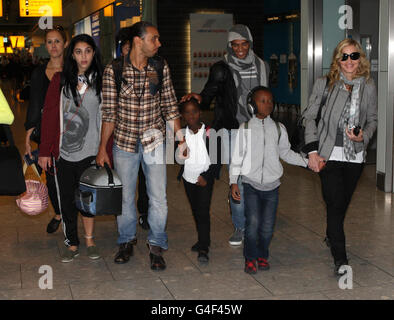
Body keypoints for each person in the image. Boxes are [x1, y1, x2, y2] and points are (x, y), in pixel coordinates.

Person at [96, 21, 182, 271]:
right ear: (138, 41)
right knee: (124, 197)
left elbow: (169, 104)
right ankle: (126, 241)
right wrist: (102, 148)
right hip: (123, 142)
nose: (159, 43)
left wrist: (181, 138)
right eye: (154, 39)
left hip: (154, 139)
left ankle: (156, 245)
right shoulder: (114, 70)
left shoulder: (159, 66)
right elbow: (109, 113)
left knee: (159, 198)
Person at [182, 24, 269, 246]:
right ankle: (240, 227)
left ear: (250, 43)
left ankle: (252, 218)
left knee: (255, 177)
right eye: (235, 44)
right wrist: (198, 97)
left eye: (244, 43)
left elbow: (266, 98)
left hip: (255, 129)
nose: (240, 49)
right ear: (230, 46)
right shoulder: (222, 68)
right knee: (237, 178)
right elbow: (209, 93)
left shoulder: (262, 66)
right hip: (231, 131)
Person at [303, 38, 377, 276]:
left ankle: (331, 233)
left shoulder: (368, 85)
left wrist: (363, 136)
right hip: (328, 154)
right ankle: (340, 259)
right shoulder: (324, 83)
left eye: (353, 56)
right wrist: (312, 152)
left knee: (341, 204)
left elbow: (373, 119)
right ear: (337, 60)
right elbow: (308, 117)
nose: (349, 61)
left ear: (360, 59)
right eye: (344, 56)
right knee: (335, 205)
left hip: (354, 156)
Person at [38, 34, 104, 263]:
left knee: (87, 199)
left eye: (88, 51)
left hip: (91, 152)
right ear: (72, 54)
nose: (83, 56)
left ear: (94, 53)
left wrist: (104, 150)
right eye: (78, 51)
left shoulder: (102, 80)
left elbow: (107, 117)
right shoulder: (60, 80)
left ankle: (89, 239)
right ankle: (72, 242)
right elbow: (48, 118)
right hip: (63, 154)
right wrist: (45, 150)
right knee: (66, 200)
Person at [229, 86, 308, 274]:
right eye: (262, 101)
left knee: (267, 228)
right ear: (252, 105)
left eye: (270, 101)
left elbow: (286, 153)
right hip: (250, 183)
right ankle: (250, 258)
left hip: (272, 186)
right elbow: (237, 157)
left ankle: (263, 255)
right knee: (253, 223)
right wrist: (233, 181)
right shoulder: (245, 128)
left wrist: (307, 162)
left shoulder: (279, 129)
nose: (268, 104)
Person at [24, 26, 67, 234]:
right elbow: (33, 106)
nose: (53, 46)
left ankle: (71, 214)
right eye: (49, 42)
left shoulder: (73, 69)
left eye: (57, 41)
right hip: (46, 132)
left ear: (65, 43)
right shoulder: (39, 73)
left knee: (70, 175)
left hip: (71, 133)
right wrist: (27, 138)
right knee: (51, 176)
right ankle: (59, 213)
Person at [177, 98, 221, 263]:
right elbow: (179, 159)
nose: (191, 115)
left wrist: (207, 177)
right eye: (187, 112)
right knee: (196, 211)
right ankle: (202, 239)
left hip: (204, 180)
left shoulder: (210, 132)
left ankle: (204, 246)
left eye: (194, 111)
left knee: (203, 212)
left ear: (200, 112)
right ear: (182, 115)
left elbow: (217, 160)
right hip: (188, 179)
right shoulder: (181, 134)